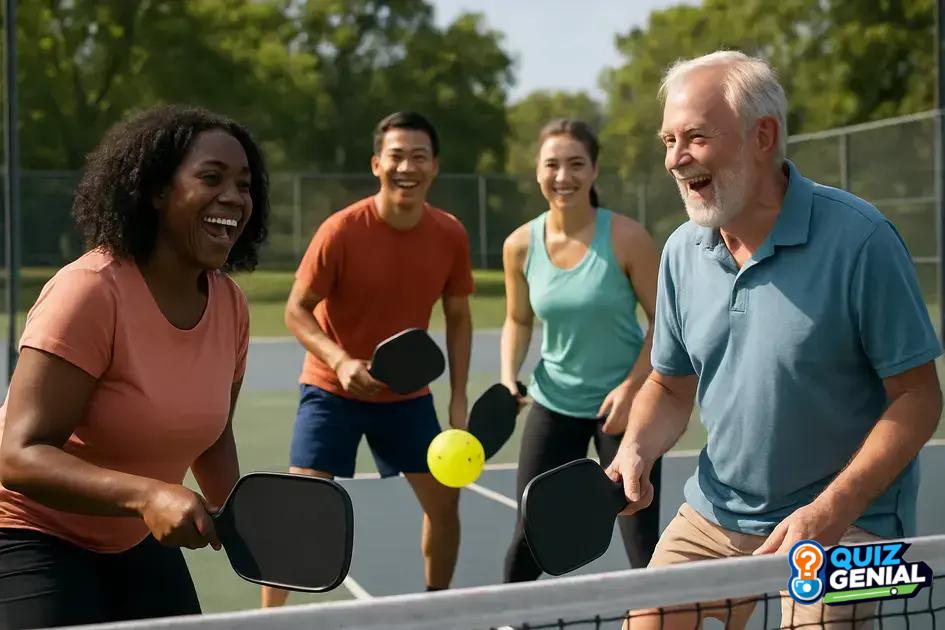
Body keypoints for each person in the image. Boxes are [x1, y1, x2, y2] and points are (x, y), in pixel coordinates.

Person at [606, 50, 943, 630]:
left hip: (848, 524)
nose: (674, 159)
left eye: (695, 138)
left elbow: (918, 398)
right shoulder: (682, 253)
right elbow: (668, 383)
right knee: (648, 619)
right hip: (716, 511)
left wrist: (833, 510)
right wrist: (636, 447)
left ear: (763, 136)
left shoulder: (861, 240)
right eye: (668, 140)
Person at [0, 105, 270, 628]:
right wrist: (148, 494)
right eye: (211, 178)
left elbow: (213, 439)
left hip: (128, 537)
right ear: (155, 191)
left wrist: (241, 520)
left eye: (244, 183)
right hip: (26, 531)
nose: (234, 198)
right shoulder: (91, 291)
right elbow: (18, 455)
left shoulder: (230, 305)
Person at [262, 111, 473, 607]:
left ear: (434, 167)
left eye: (418, 156)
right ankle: (270, 621)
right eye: (396, 156)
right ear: (378, 164)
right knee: (302, 508)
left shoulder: (450, 234)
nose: (407, 166)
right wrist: (339, 362)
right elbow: (296, 310)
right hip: (331, 390)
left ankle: (435, 608)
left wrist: (459, 397)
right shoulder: (340, 231)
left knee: (445, 504)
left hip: (407, 397)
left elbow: (459, 316)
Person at [500, 119, 662, 582]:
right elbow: (517, 319)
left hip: (625, 409)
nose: (562, 176)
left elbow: (665, 324)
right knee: (528, 538)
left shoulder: (628, 238)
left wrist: (633, 388)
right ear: (537, 171)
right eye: (552, 165)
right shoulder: (519, 246)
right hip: (555, 404)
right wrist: (509, 374)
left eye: (576, 164)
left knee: (642, 543)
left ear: (594, 171)